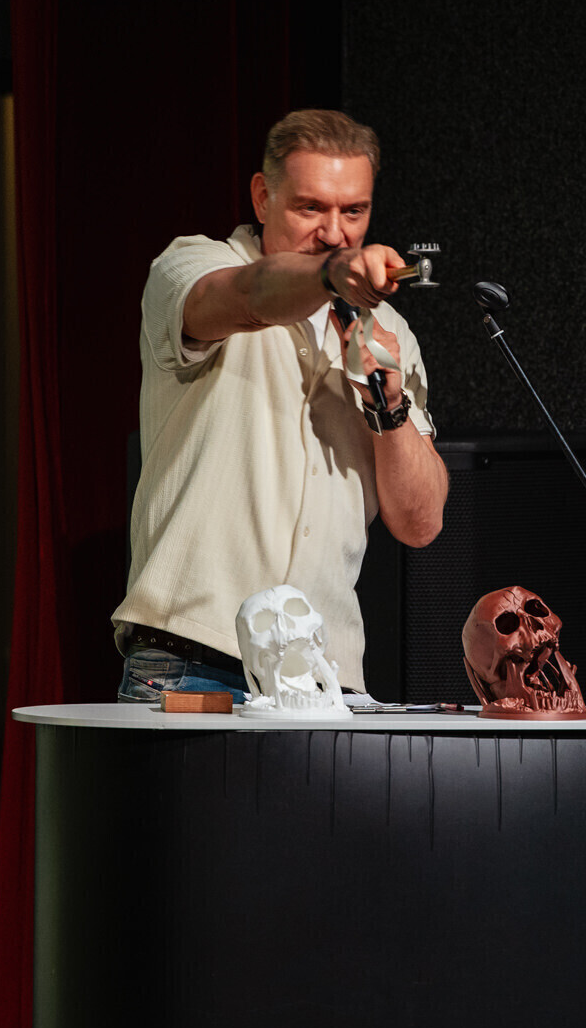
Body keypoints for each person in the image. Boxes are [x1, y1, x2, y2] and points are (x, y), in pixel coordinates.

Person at [112, 109, 449, 704]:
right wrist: (333, 274)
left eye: (354, 212)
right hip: (195, 658)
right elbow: (249, 295)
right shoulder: (194, 265)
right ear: (263, 197)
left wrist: (390, 406)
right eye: (310, 208)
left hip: (327, 676)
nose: (335, 233)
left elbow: (420, 523)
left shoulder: (390, 330)